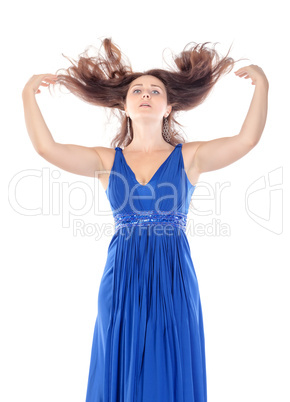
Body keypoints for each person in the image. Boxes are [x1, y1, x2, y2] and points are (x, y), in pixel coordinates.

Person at [22, 38, 269, 402]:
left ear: (169, 108)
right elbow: (47, 148)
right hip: (121, 278)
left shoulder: (190, 158)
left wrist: (263, 85)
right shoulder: (107, 161)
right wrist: (27, 93)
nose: (146, 94)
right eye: (137, 90)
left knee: (168, 363)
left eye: (156, 91)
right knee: (119, 362)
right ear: (124, 106)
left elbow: (246, 140)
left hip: (173, 278)